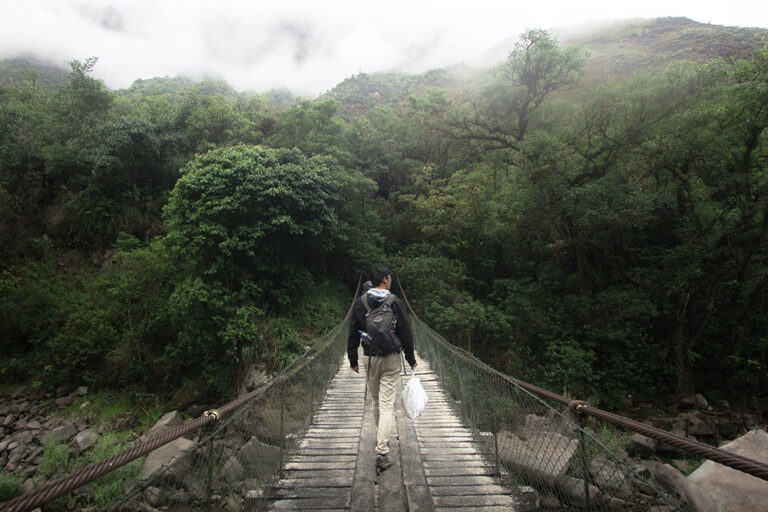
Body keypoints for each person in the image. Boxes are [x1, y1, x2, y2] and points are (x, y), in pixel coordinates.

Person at [348, 266, 417, 471]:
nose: (391, 280)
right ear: (386, 279)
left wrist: (352, 359)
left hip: (370, 358)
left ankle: (381, 436)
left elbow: (353, 332)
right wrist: (411, 358)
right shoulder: (394, 302)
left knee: (377, 401)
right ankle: (382, 450)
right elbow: (406, 332)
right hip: (391, 359)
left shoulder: (361, 303)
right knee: (387, 404)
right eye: (390, 278)